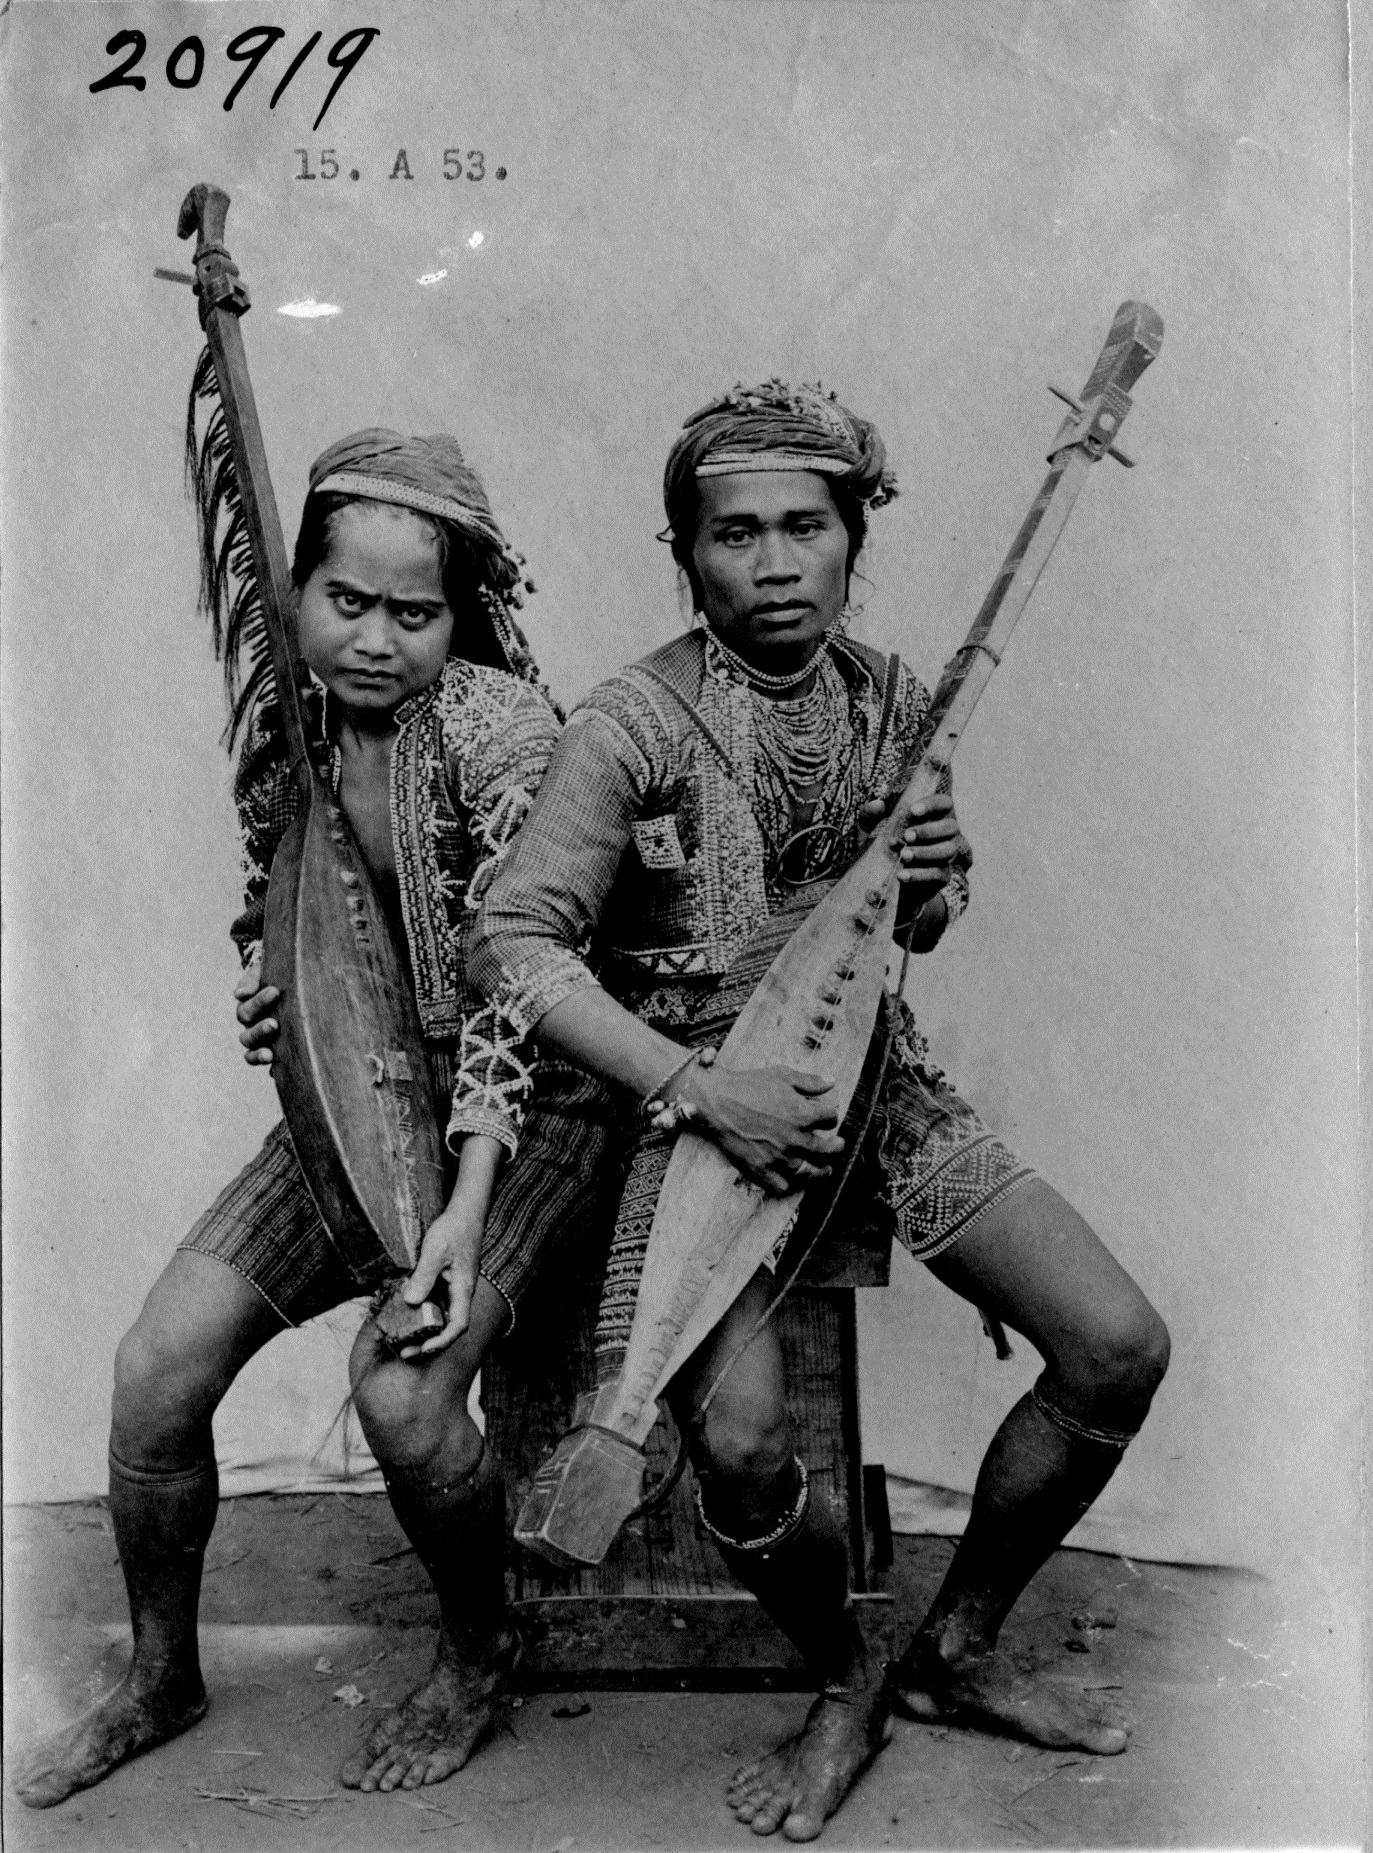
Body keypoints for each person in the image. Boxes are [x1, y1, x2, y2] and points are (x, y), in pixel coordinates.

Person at [470, 381, 1171, 1842]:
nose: (774, 562)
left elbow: (906, 931)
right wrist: (694, 1082)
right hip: (692, 1125)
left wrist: (933, 871)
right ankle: (847, 1674)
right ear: (684, 552)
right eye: (735, 533)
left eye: (805, 527)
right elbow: (516, 940)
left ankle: (952, 1651)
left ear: (854, 540)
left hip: (875, 1088)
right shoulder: (628, 723)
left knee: (1111, 1347)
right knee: (734, 1444)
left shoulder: (901, 698)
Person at [16, 430, 615, 1809]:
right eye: (347, 601)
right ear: (294, 589)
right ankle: (162, 1673)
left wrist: (463, 1216)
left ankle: (480, 1649)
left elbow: (525, 987)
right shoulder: (283, 723)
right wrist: (273, 1003)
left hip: (531, 1119)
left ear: (462, 616)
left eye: (416, 612)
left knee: (403, 1391)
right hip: (353, 1110)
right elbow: (288, 914)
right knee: (154, 1369)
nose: (376, 639)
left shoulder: (501, 731)